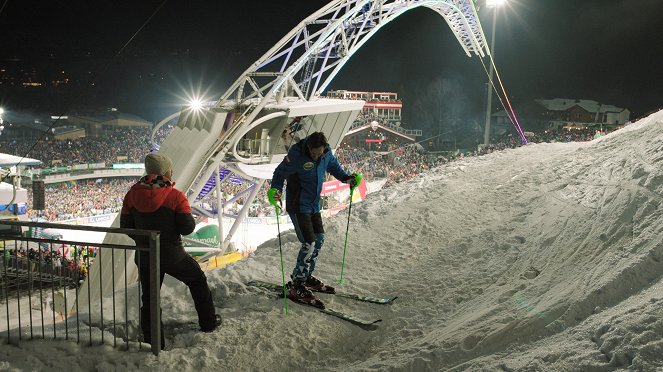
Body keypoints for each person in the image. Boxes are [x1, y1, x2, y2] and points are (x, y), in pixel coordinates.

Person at [121, 153, 221, 349]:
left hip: (145, 255)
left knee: (149, 298)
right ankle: (208, 322)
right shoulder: (175, 195)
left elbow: (126, 226)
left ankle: (153, 343)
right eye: (170, 169)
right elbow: (187, 228)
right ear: (166, 171)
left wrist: (143, 240)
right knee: (197, 280)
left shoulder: (132, 194)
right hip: (173, 256)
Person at [268, 132, 361, 306]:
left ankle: (305, 275)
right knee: (308, 243)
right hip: (298, 206)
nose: (316, 156)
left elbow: (334, 167)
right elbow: (279, 173)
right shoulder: (296, 155)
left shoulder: (326, 153)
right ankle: (297, 285)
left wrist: (346, 178)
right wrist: (276, 190)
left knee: (319, 239)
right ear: (308, 147)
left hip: (313, 205)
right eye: (313, 153)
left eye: (318, 153)